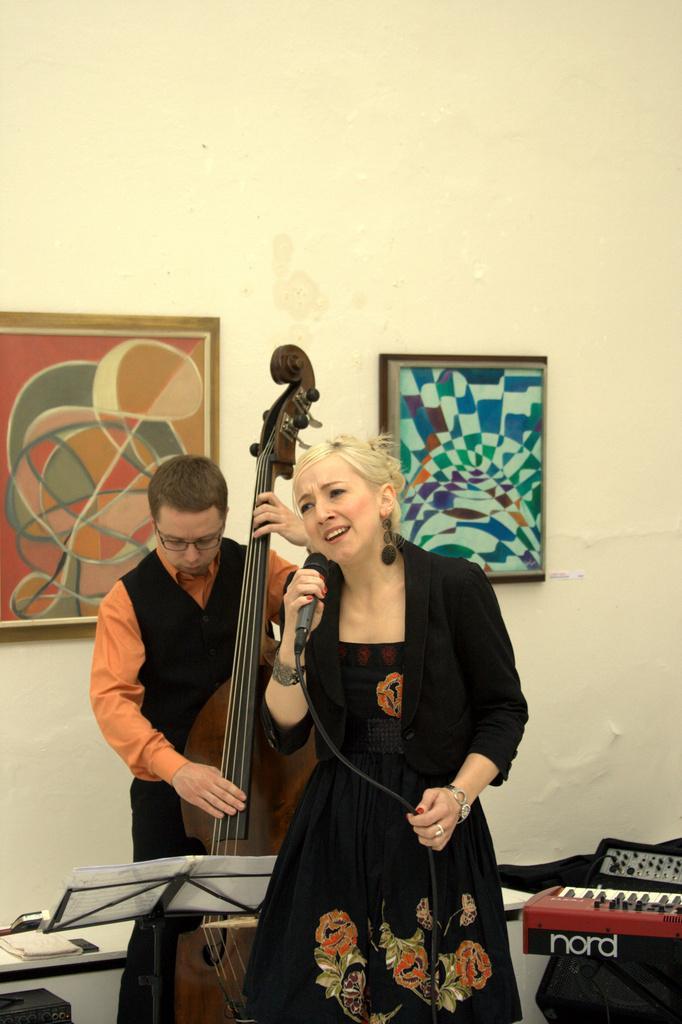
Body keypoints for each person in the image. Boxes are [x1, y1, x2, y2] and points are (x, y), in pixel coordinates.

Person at [243, 435, 529, 1024]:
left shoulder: (454, 585)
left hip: (433, 824)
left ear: (385, 499)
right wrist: (292, 638)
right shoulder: (311, 600)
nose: (321, 511)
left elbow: (504, 711)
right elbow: (286, 728)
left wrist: (458, 796)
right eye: (306, 504)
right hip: (336, 827)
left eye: (335, 493)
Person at [90, 454, 304, 1024]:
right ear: (154, 524)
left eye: (205, 541)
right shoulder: (126, 598)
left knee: (279, 915)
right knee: (161, 937)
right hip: (170, 794)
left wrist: (306, 542)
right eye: (175, 542)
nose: (190, 555)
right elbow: (113, 702)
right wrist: (176, 767)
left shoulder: (257, 565)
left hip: (266, 782)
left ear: (226, 519)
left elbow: (319, 603)